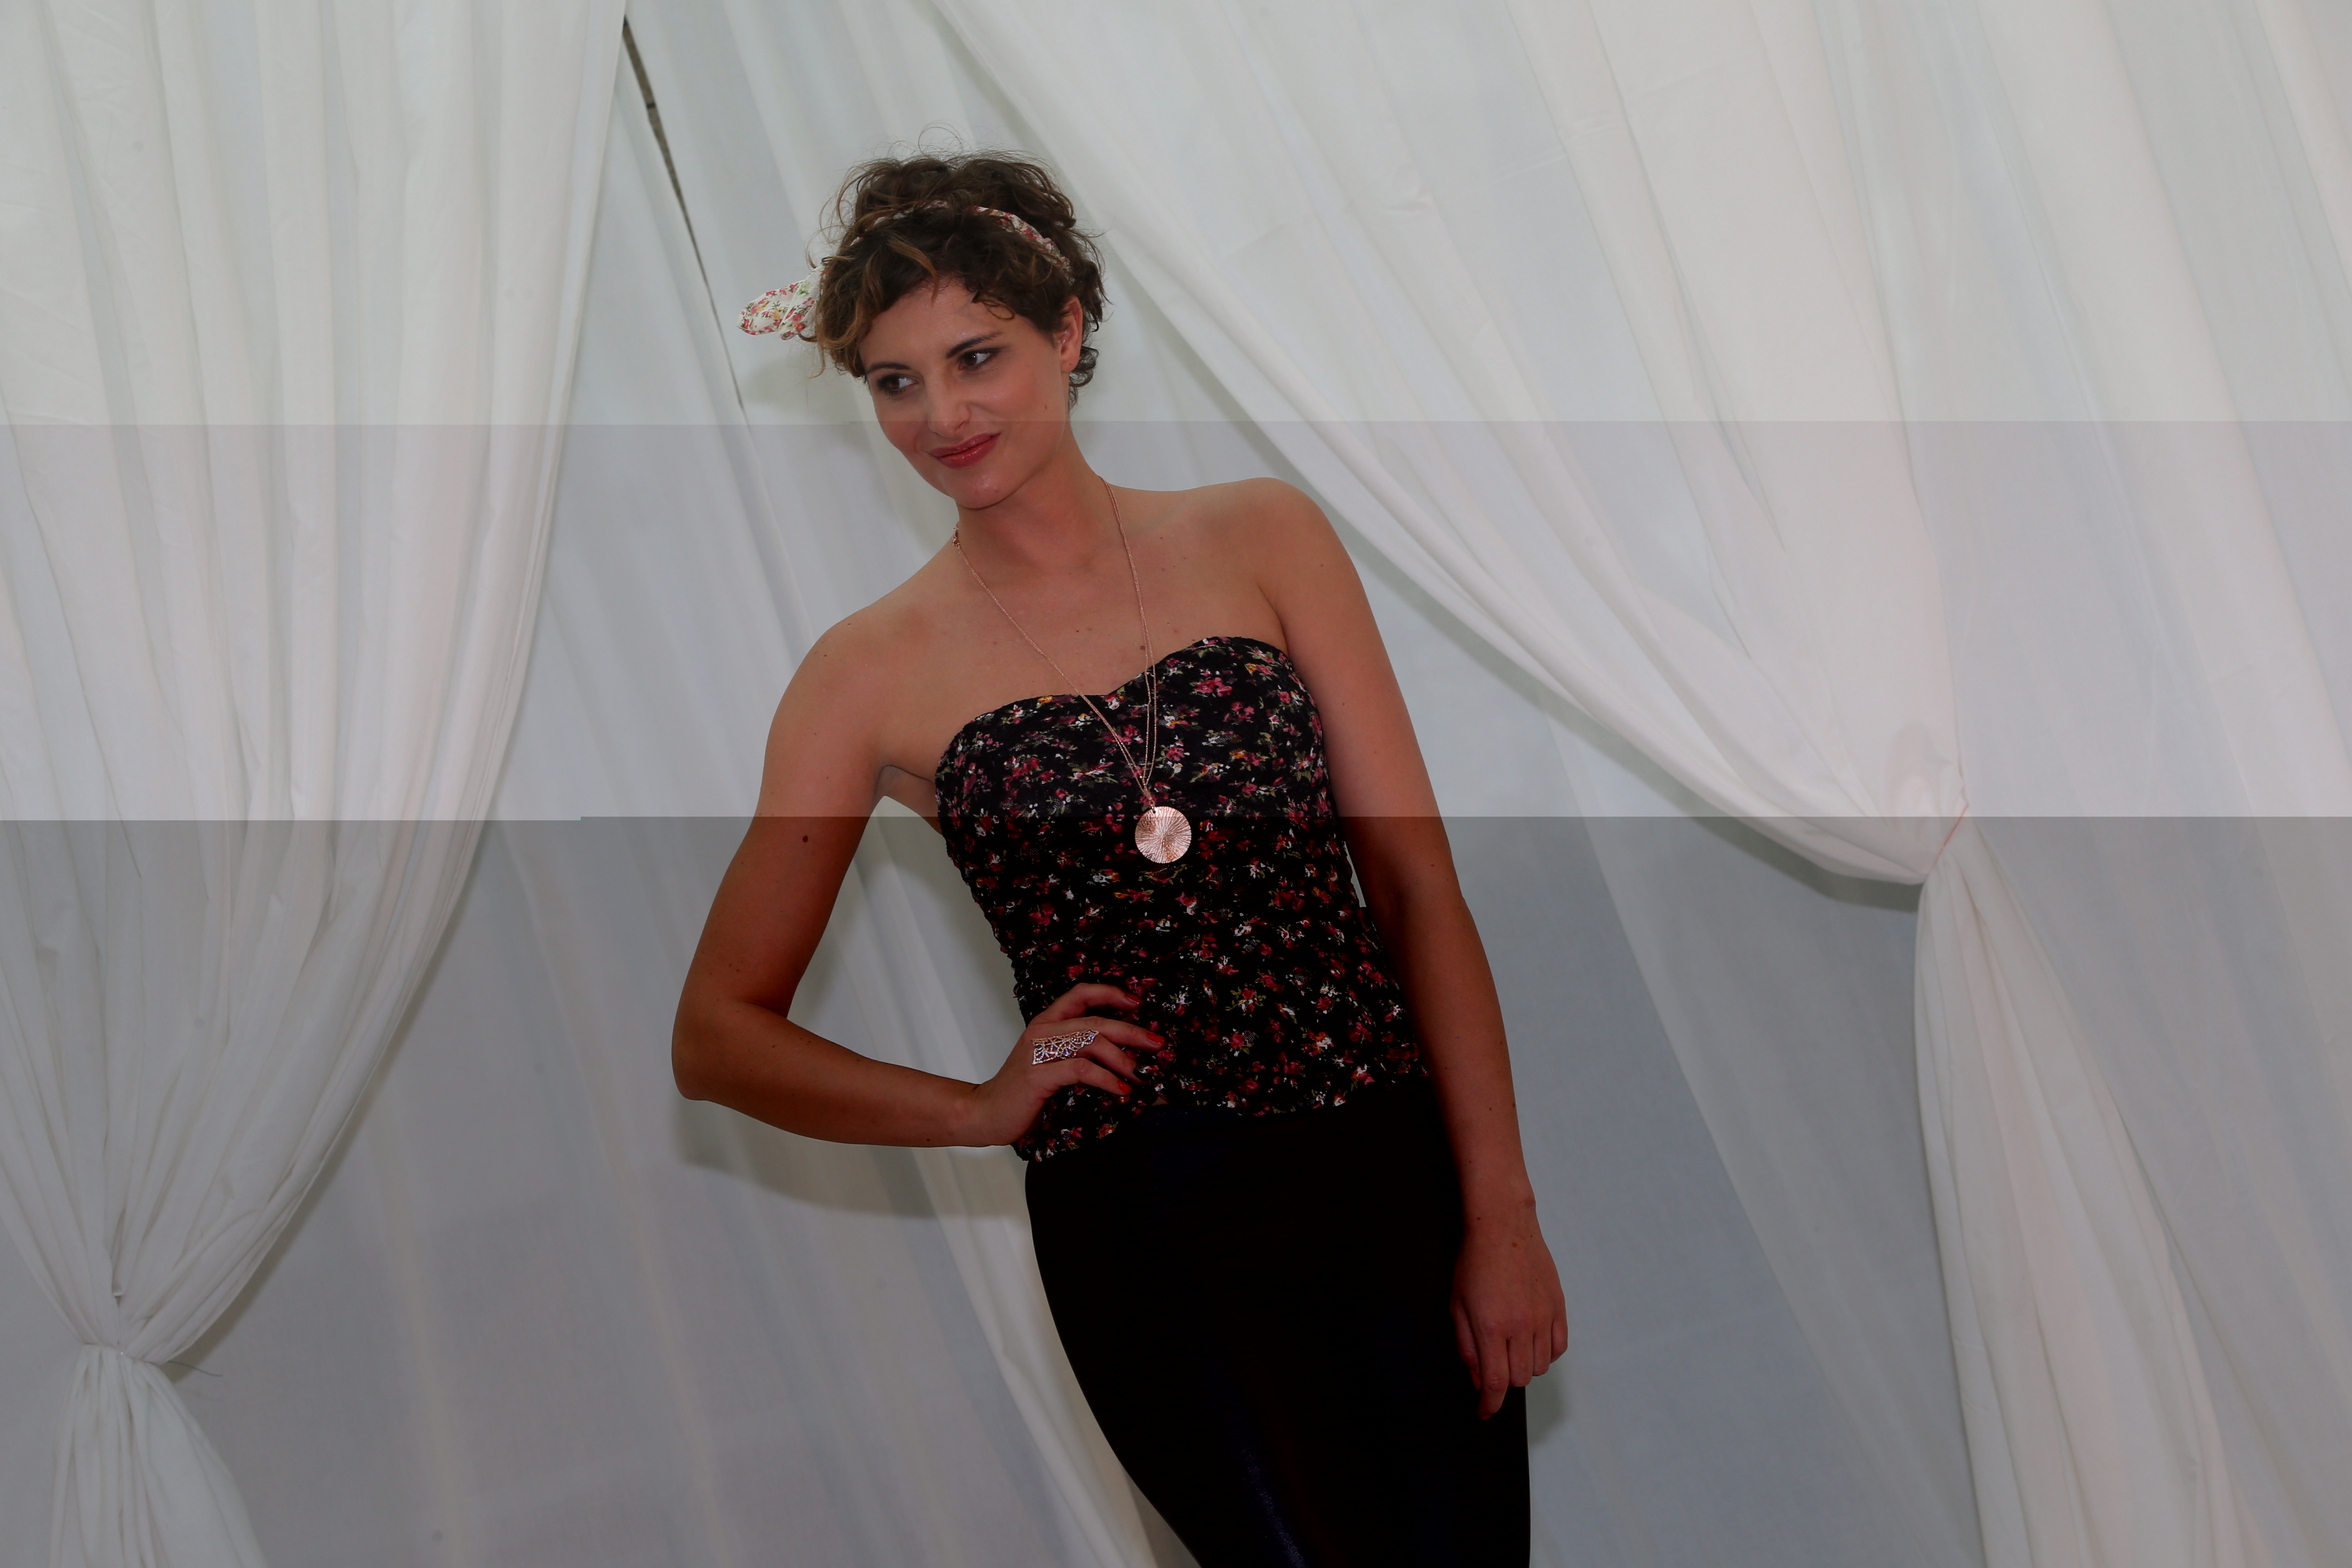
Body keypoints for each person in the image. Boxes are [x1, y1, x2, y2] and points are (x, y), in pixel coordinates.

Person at [673, 150, 1566, 1566]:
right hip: (1156, 1226)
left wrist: (1501, 1209)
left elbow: (1415, 892)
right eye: (896, 382)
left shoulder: (1262, 535)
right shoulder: (861, 678)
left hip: (1388, 1171)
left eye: (977, 358)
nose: (941, 416)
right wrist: (979, 1109)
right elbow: (718, 1035)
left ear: (1070, 328)